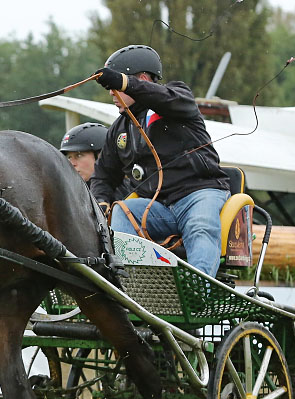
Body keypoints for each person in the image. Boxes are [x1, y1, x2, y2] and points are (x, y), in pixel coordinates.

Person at [88, 44, 230, 278]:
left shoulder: (176, 96)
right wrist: (101, 201)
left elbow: (161, 96)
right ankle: (129, 286)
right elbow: (103, 175)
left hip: (200, 193)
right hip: (159, 207)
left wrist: (124, 82)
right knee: (124, 210)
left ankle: (200, 292)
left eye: (116, 86)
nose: (111, 92)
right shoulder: (118, 130)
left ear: (142, 79)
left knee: (200, 226)